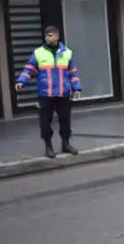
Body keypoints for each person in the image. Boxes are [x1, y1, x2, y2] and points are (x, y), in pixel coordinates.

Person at [14, 26, 82, 159]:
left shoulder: (67, 53)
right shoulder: (38, 53)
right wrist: (21, 80)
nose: (48, 37)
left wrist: (77, 88)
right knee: (45, 121)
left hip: (63, 92)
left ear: (57, 37)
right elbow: (29, 68)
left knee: (65, 120)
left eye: (50, 35)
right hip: (46, 93)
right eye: (46, 35)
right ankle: (48, 146)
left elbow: (73, 72)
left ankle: (66, 144)